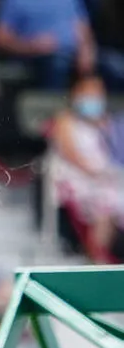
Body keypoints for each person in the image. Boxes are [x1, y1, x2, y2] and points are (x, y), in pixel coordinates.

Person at [47, 74, 124, 262]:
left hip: (103, 176)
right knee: (105, 202)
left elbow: (115, 154)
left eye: (98, 93)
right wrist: (94, 173)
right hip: (76, 177)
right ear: (76, 95)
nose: (94, 97)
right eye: (89, 93)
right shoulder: (64, 121)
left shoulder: (105, 123)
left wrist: (104, 127)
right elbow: (70, 154)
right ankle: (97, 257)